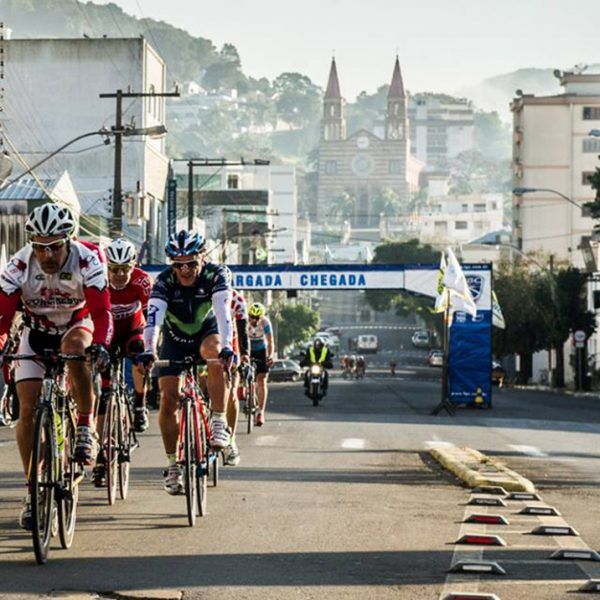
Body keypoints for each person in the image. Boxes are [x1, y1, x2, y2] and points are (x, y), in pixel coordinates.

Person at [0, 203, 112, 529]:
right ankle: (33, 489)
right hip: (37, 333)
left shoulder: (89, 258)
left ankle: (85, 426)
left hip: (78, 325)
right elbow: (3, 318)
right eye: (40, 247)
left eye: (55, 246)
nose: (47, 254)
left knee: (75, 348)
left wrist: (102, 344)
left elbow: (102, 311)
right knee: (27, 408)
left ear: (70, 239)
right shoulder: (19, 264)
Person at [137, 230, 236, 496]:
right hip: (174, 339)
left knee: (215, 355)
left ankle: (217, 420)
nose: (184, 269)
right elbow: (153, 320)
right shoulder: (164, 281)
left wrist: (227, 348)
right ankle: (172, 465)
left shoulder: (216, 275)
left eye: (191, 263)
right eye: (178, 264)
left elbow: (223, 313)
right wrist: (149, 350)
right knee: (169, 399)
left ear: (201, 258)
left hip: (207, 333)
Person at [92, 238, 152, 487]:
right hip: (106, 332)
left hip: (132, 330)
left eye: (124, 269)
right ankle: (101, 457)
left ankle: (139, 403)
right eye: (113, 268)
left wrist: (151, 346)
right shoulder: (97, 279)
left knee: (140, 351)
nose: (118, 274)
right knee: (104, 398)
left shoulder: (142, 281)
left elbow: (152, 315)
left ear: (133, 266)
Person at [224, 289, 250, 467]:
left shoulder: (237, 301)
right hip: (202, 341)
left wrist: (245, 355)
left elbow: (242, 333)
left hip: (230, 343)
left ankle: (231, 440)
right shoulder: (198, 291)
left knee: (232, 392)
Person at [247, 302, 274, 426]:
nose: (254, 320)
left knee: (262, 380)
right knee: (244, 377)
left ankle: (260, 412)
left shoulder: (265, 323)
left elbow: (270, 341)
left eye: (257, 318)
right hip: (247, 349)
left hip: (261, 350)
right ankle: (248, 391)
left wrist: (270, 355)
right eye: (251, 317)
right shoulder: (244, 321)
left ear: (261, 317)